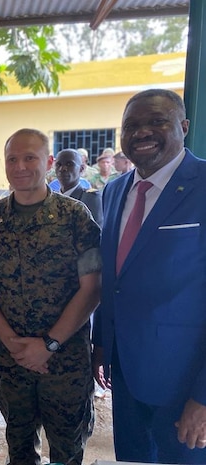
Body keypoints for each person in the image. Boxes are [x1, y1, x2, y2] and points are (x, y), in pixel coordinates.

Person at [0, 128, 102, 465]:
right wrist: (11, 340)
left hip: (64, 361)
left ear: (49, 162)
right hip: (10, 360)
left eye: (30, 157)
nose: (20, 166)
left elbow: (92, 287)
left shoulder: (75, 217)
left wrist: (49, 344)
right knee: (20, 448)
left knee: (67, 450)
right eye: (12, 158)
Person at [92, 88, 206, 463]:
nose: (142, 132)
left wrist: (203, 398)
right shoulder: (113, 191)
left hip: (183, 384)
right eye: (132, 125)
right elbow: (114, 279)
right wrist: (102, 345)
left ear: (184, 127)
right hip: (124, 374)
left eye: (157, 121)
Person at [55, 149, 103, 225]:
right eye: (58, 165)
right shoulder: (52, 198)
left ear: (81, 169)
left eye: (69, 164)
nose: (62, 169)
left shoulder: (90, 199)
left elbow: (94, 233)